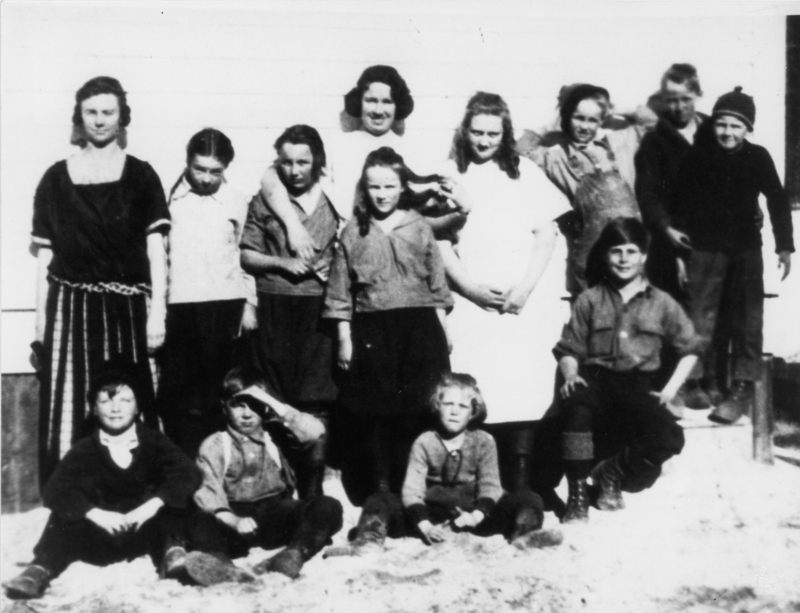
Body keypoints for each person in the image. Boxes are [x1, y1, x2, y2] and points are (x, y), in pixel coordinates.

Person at [31, 76, 170, 486]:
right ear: (80, 117)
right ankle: (73, 501)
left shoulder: (142, 176)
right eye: (91, 112)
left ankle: (134, 490)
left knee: (130, 399)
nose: (99, 120)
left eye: (108, 112)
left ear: (122, 117)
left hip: (127, 310)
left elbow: (156, 252)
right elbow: (45, 258)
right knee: (72, 403)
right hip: (70, 309)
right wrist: (41, 323)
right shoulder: (55, 179)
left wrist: (157, 312)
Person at [438, 92, 572, 502]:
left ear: (505, 133)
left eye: (492, 133)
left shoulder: (525, 173)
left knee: (524, 389)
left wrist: (525, 289)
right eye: (476, 132)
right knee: (481, 388)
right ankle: (485, 488)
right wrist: (471, 290)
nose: (483, 140)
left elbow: (546, 233)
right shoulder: (447, 173)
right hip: (472, 302)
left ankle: (523, 483)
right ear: (465, 131)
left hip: (520, 304)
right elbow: (439, 240)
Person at [3, 361, 203, 600]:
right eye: (106, 401)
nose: (115, 408)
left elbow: (188, 472)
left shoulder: (153, 441)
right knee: (63, 516)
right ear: (94, 409)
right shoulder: (85, 448)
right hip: (101, 536)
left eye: (125, 401)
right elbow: (55, 489)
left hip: (145, 531)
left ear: (138, 407)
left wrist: (151, 506)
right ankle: (40, 568)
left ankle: (174, 556)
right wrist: (93, 513)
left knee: (173, 505)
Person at [323, 147, 452, 503]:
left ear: (402, 187)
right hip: (372, 331)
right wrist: (345, 338)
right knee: (376, 412)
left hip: (419, 327)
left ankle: (414, 488)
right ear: (365, 189)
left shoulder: (419, 225)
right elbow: (339, 291)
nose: (382, 194)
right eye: (374, 187)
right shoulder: (353, 232)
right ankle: (381, 489)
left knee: (418, 408)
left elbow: (437, 283)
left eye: (389, 186)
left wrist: (443, 329)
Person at [554, 218, 699, 523]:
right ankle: (577, 496)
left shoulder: (662, 302)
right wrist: (570, 375)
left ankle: (611, 472)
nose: (623, 259)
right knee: (577, 406)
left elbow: (690, 349)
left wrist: (669, 391)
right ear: (606, 256)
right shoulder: (589, 300)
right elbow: (569, 349)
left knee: (670, 436)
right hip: (596, 380)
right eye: (616, 251)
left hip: (637, 385)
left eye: (631, 251)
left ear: (644, 256)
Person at [327, 373, 562, 555]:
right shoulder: (425, 441)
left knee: (528, 498)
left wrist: (476, 516)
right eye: (448, 404)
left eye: (462, 407)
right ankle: (367, 541)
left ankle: (526, 534)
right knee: (381, 500)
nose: (454, 412)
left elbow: (491, 486)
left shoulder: (483, 441)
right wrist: (425, 525)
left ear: (473, 412)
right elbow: (412, 489)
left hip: (474, 513)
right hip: (431, 514)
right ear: (437, 406)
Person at [673, 87, 794, 424]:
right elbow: (680, 207)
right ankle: (693, 382)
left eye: (736, 126)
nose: (727, 132)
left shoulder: (758, 157)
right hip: (704, 249)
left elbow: (777, 200)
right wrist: (681, 254)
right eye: (722, 124)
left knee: (747, 319)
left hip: (745, 251)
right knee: (698, 317)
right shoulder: (697, 158)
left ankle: (742, 388)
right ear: (714, 125)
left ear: (747, 129)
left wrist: (784, 245)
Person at [240, 125, 339, 498]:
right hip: (275, 306)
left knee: (316, 393)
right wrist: (281, 263)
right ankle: (283, 484)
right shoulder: (264, 201)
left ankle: (313, 488)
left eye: (303, 162)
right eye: (287, 162)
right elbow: (246, 254)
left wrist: (336, 268)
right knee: (278, 392)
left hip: (319, 307)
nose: (295, 170)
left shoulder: (334, 199)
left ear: (317, 163)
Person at [191, 366, 343, 581]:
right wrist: (233, 521)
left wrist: (273, 403)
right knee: (199, 520)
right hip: (233, 518)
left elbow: (316, 432)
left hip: (274, 513)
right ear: (224, 407)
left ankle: (293, 554)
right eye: (237, 405)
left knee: (328, 506)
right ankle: (220, 565)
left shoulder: (277, 436)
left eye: (254, 406)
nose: (246, 414)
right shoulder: (215, 444)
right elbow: (208, 492)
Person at [158, 128, 256, 457]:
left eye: (215, 171)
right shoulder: (169, 201)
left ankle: (223, 468)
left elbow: (244, 254)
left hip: (225, 307)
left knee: (221, 392)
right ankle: (188, 471)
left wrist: (249, 304)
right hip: (182, 309)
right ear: (187, 163)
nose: (205, 178)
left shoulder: (237, 200)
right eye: (199, 169)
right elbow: (160, 255)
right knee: (182, 398)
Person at [634, 63, 727, 407]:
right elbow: (647, 195)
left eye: (685, 98)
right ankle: (690, 382)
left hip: (718, 238)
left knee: (716, 310)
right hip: (675, 241)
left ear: (697, 95)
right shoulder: (655, 142)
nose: (678, 107)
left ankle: (715, 377)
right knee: (687, 311)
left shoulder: (714, 132)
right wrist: (666, 229)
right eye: (671, 100)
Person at [257, 65, 418, 262]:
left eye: (387, 102)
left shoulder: (410, 151)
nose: (378, 110)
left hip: (396, 251)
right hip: (346, 249)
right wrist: (293, 226)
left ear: (398, 105)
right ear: (359, 102)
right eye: (371, 100)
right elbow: (270, 176)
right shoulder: (338, 145)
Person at [541, 84, 641, 295]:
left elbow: (651, 121)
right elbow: (519, 147)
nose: (585, 126)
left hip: (629, 251)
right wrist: (554, 121)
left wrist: (611, 108)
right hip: (591, 256)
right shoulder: (555, 155)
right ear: (567, 117)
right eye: (579, 118)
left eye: (592, 119)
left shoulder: (620, 142)